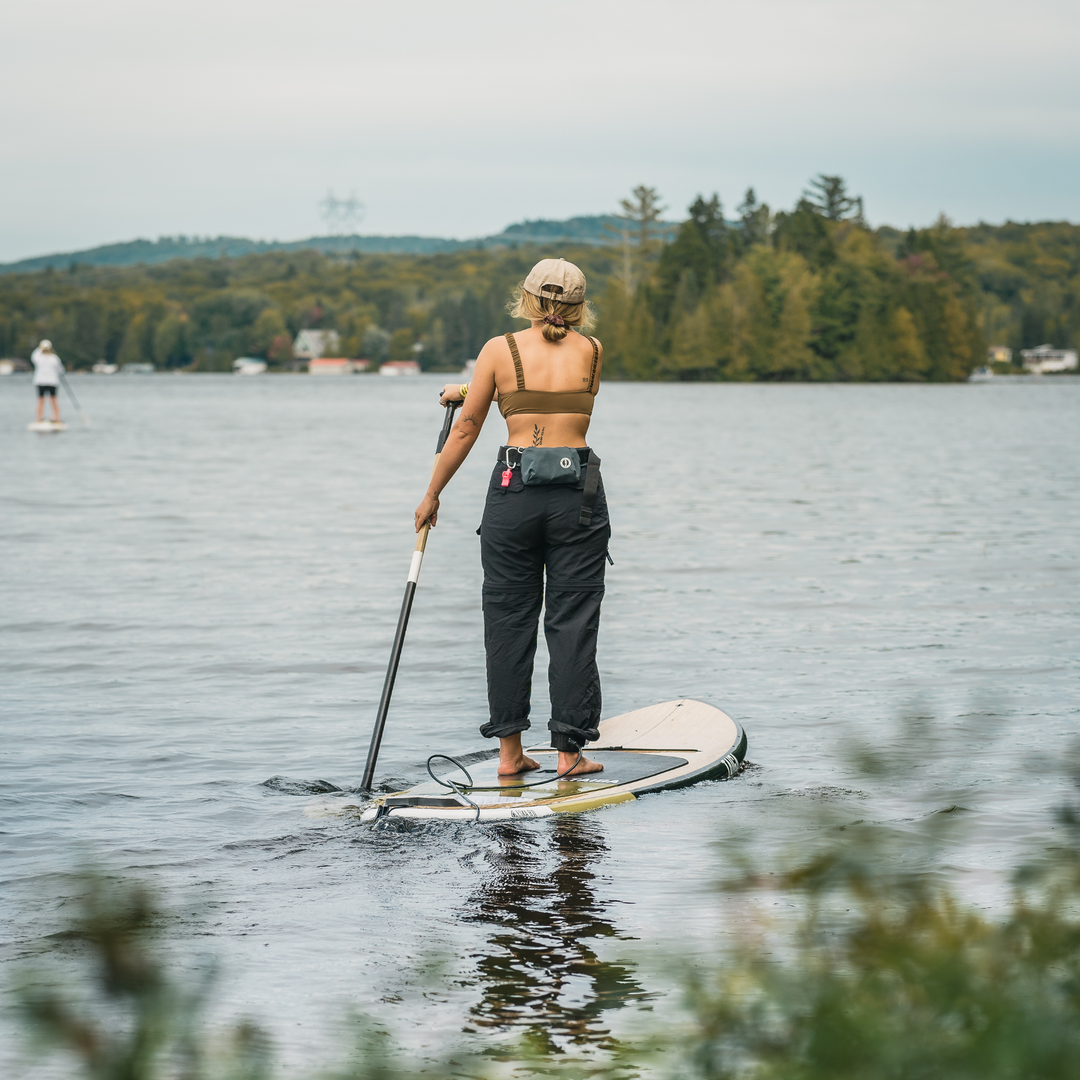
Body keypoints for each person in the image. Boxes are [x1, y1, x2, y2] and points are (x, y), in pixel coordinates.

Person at [414, 258, 610, 778]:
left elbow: (468, 426)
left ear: (525, 299)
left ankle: (509, 756)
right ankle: (569, 755)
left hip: (513, 491)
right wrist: (471, 389)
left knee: (507, 620)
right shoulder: (593, 351)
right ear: (579, 306)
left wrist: (432, 493)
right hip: (578, 495)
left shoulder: (498, 351)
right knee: (573, 622)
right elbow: (553, 392)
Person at [30, 339, 64, 424]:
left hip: (42, 382)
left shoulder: (38, 357)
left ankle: (39, 419)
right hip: (51, 382)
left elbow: (34, 355)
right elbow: (61, 370)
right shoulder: (54, 358)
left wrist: (39, 348)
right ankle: (57, 419)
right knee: (52, 401)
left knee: (42, 401)